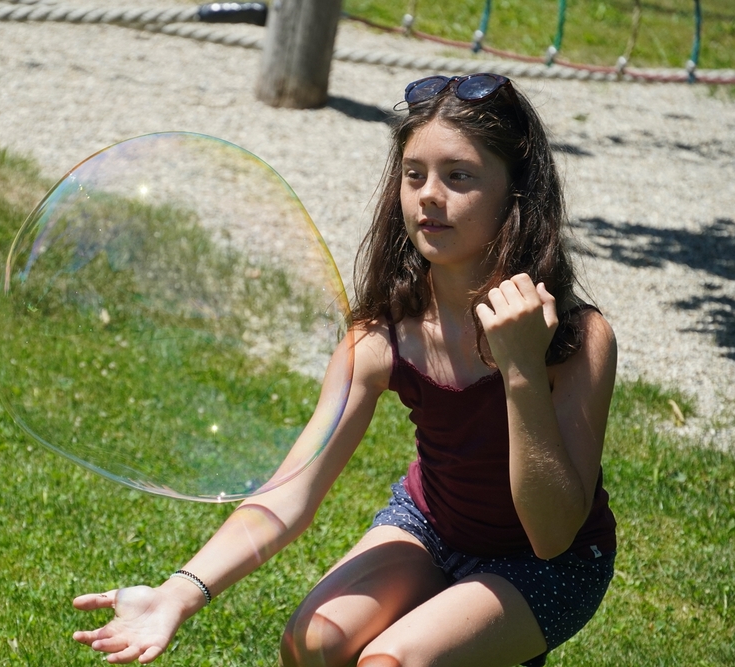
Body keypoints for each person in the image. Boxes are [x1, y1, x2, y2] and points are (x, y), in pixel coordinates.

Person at [72, 73, 617, 667]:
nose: (429, 196)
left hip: (549, 566)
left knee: (391, 662)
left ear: (516, 193)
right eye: (414, 175)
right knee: (311, 644)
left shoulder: (577, 338)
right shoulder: (384, 333)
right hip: (432, 528)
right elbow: (292, 492)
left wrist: (522, 370)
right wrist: (178, 593)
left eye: (459, 176)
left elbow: (552, 534)